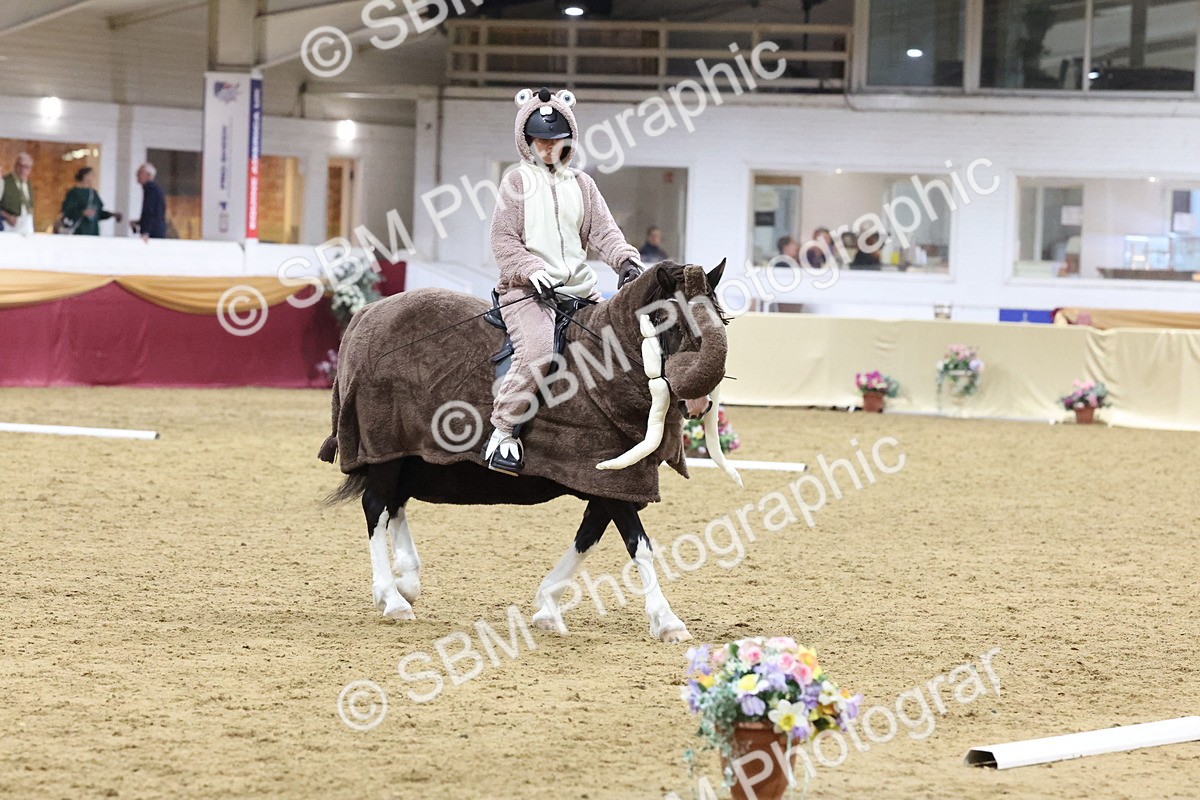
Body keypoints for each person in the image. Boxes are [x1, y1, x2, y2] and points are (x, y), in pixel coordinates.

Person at [484, 87, 643, 474]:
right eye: (540, 141)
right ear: (527, 141)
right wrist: (530, 269)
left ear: (567, 141)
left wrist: (624, 261)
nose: (548, 149)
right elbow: (503, 239)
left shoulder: (584, 185)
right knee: (537, 351)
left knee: (621, 347)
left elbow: (603, 231)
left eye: (555, 141)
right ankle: (502, 435)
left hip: (580, 290)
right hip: (528, 292)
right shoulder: (516, 183)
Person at [60, 167, 122, 235]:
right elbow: (67, 210)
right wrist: (82, 212)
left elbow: (98, 213)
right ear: (85, 176)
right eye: (91, 175)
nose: (93, 178)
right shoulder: (74, 193)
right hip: (78, 232)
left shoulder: (93, 193)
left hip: (93, 233)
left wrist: (112, 215)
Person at [1, 153, 35, 234]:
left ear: (30, 170)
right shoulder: (5, 182)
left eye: (26, 167)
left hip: (26, 225)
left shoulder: (28, 185)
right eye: (20, 166)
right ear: (15, 166)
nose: (23, 170)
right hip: (9, 225)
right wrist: (7, 217)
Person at [132, 162, 167, 240]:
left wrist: (146, 231)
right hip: (157, 231)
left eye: (140, 173)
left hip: (153, 233)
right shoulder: (154, 189)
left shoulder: (151, 189)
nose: (137, 175)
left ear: (148, 175)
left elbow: (150, 211)